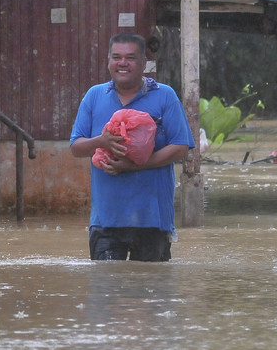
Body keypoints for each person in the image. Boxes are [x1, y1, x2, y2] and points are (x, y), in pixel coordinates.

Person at [69, 33, 194, 261]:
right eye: (116, 57)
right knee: (107, 290)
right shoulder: (94, 96)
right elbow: (76, 147)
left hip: (152, 220)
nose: (122, 63)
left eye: (130, 57)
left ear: (144, 63)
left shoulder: (164, 96)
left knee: (150, 290)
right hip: (105, 220)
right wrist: (101, 142)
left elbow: (181, 147)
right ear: (108, 61)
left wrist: (134, 166)